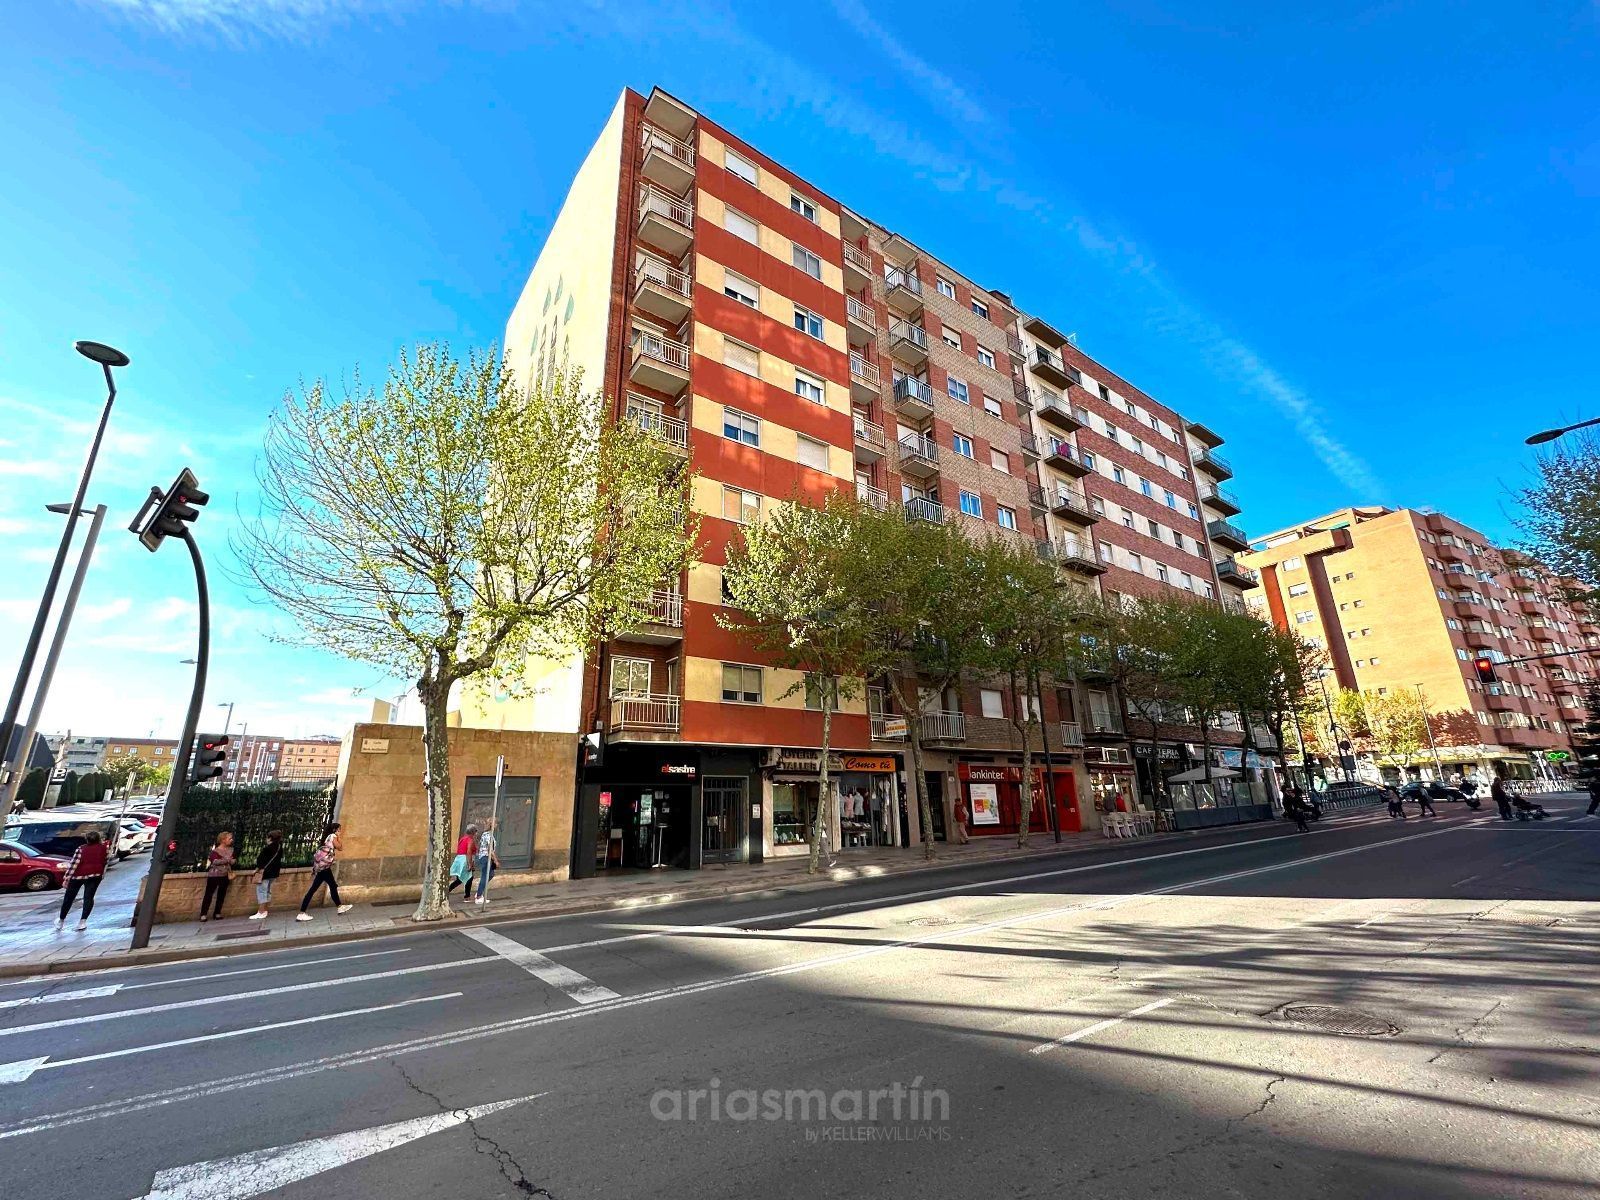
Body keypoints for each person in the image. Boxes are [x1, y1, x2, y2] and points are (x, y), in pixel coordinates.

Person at [297, 823, 353, 921]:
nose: (340, 831)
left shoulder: (327, 837)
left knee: (330, 886)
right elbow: (340, 847)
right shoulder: (332, 836)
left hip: (323, 866)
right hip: (325, 868)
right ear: (335, 829)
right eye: (339, 829)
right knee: (324, 887)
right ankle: (302, 913)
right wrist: (339, 838)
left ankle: (339, 907)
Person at [55, 829, 108, 931]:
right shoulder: (103, 848)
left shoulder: (81, 849)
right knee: (88, 898)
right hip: (95, 875)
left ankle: (61, 920)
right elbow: (104, 860)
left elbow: (74, 864)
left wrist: (67, 877)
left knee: (69, 898)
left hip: (78, 876)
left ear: (87, 839)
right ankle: (82, 921)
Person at [200, 832, 235, 922]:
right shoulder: (215, 851)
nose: (231, 840)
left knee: (221, 894)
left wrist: (229, 861)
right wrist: (227, 860)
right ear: (223, 840)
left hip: (225, 874)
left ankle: (217, 913)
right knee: (209, 894)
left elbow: (233, 860)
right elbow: (214, 861)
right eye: (229, 838)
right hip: (214, 875)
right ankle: (203, 914)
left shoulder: (231, 850)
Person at [250, 829, 284, 920]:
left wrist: (256, 870)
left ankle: (261, 911)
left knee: (261, 891)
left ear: (270, 838)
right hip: (274, 872)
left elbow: (261, 861)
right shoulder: (279, 848)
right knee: (268, 891)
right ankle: (265, 910)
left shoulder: (267, 848)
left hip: (265, 873)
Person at [447, 824, 479, 898]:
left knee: (460, 879)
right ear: (473, 832)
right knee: (469, 878)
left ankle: (447, 891)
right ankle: (467, 896)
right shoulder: (470, 840)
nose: (477, 833)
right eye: (476, 831)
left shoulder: (463, 838)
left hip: (459, 859)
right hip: (465, 859)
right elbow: (469, 852)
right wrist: (470, 864)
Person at [474, 819, 500, 906]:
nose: (497, 825)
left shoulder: (488, 834)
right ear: (492, 825)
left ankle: (479, 891)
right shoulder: (488, 835)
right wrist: (496, 861)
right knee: (485, 876)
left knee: (491, 874)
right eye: (496, 823)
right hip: (486, 858)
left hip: (486, 857)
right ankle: (478, 897)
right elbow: (490, 850)